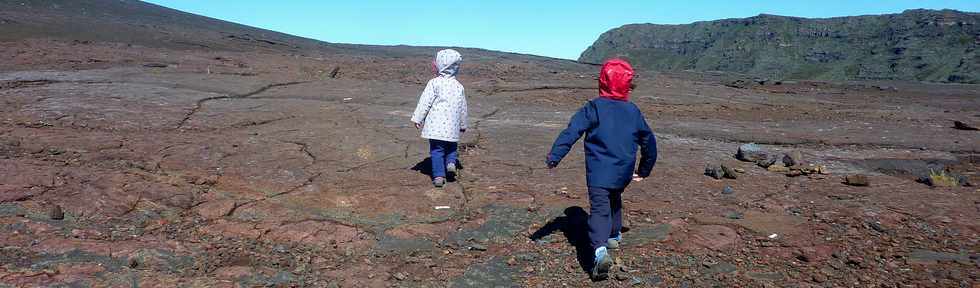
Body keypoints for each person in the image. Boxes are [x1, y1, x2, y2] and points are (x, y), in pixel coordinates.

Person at [545, 58, 657, 280]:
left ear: (602, 82)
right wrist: (644, 169)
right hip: (623, 171)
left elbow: (572, 131)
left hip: (598, 172)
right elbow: (649, 141)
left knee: (599, 208)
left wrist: (554, 156)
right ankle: (614, 235)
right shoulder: (633, 111)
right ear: (627, 84)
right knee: (614, 198)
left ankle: (599, 250)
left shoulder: (593, 107)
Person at [411, 49, 468, 187]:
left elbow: (425, 102)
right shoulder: (459, 86)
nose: (433, 63)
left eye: (435, 62)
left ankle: (438, 177)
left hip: (436, 128)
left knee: (436, 151)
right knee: (451, 147)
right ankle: (450, 163)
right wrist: (462, 124)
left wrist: (417, 118)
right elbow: (463, 108)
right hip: (452, 127)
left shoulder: (434, 83)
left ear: (441, 66)